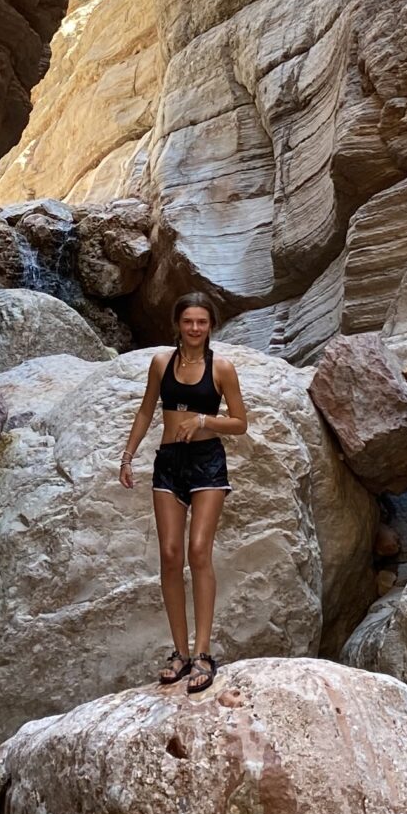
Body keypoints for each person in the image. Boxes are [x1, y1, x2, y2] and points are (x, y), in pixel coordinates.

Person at [117, 292, 249, 694]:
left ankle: (204, 652)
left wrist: (206, 419)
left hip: (207, 461)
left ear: (211, 326)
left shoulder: (222, 368)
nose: (195, 329)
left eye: (202, 323)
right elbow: (145, 410)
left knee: (198, 551)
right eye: (189, 321)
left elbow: (241, 423)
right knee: (170, 555)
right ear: (178, 323)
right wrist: (127, 455)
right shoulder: (161, 363)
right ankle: (179, 652)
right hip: (169, 463)